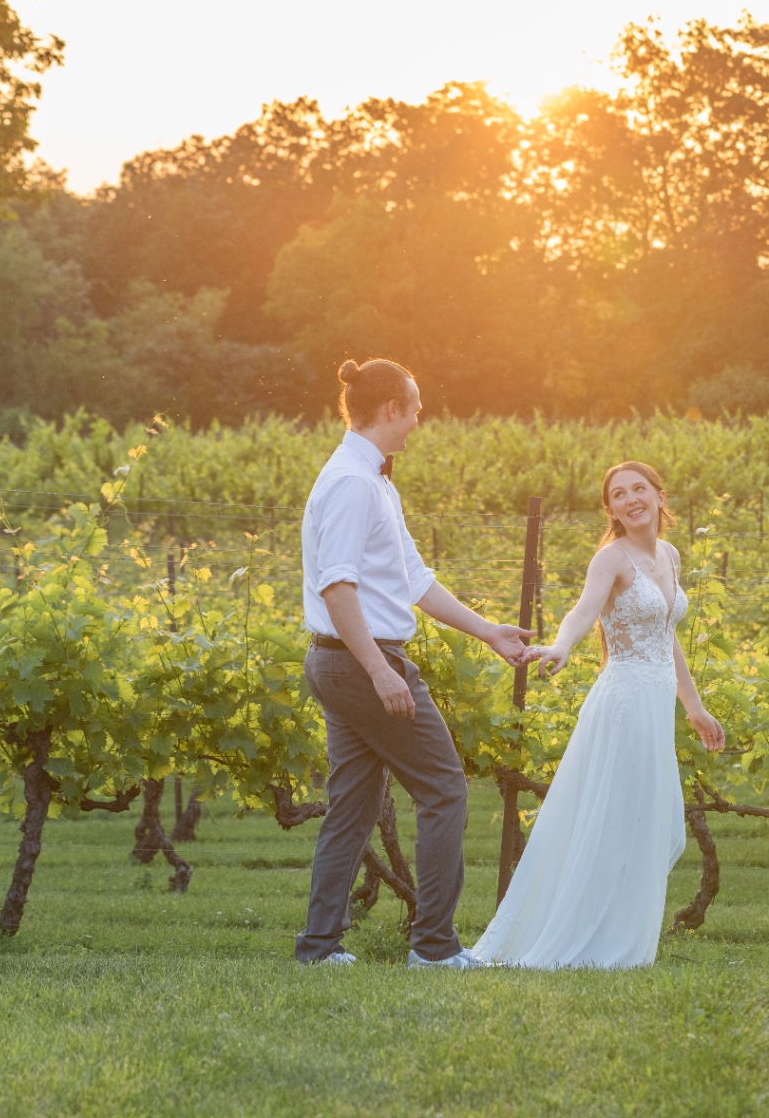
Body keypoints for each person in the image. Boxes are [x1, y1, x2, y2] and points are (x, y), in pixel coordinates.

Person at [295, 358, 533, 968]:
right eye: (416, 410)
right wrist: (380, 671)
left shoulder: (372, 481)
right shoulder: (352, 483)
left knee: (351, 805)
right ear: (392, 409)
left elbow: (416, 580)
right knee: (444, 789)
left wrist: (487, 632)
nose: (419, 422)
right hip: (361, 663)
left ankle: (318, 949)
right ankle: (434, 946)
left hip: (342, 661)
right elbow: (338, 588)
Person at [471, 460, 725, 969]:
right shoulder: (612, 559)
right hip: (624, 703)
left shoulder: (670, 556)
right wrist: (562, 646)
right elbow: (583, 611)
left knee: (652, 824)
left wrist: (693, 706)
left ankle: (624, 939)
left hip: (655, 706)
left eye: (639, 489)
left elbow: (666, 634)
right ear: (609, 509)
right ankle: (590, 941)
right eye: (619, 494)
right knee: (614, 820)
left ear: (658, 495)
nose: (631, 499)